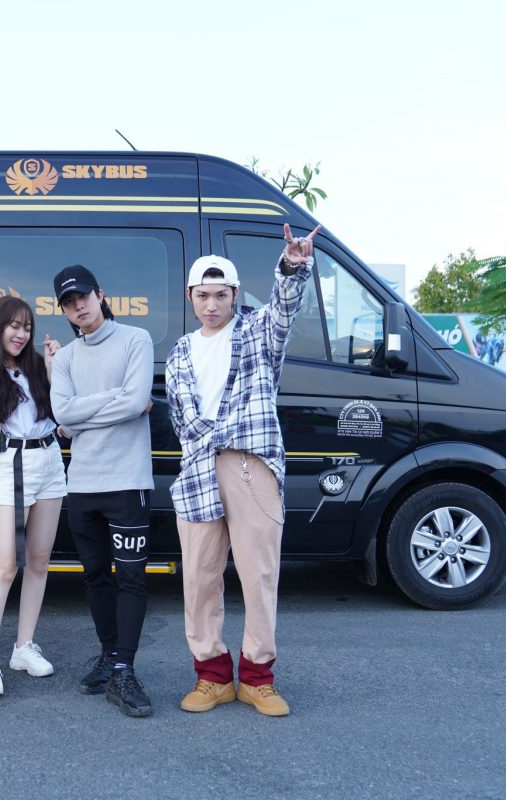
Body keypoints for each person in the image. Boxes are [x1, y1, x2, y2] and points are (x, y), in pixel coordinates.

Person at [165, 224, 318, 717]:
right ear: (191, 297)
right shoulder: (180, 351)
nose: (212, 304)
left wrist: (292, 266)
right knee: (199, 578)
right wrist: (210, 439)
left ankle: (257, 678)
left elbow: (284, 309)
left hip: (251, 465)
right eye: (203, 295)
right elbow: (182, 418)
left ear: (235, 295)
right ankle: (212, 676)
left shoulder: (256, 333)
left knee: (259, 575)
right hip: (197, 469)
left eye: (221, 294)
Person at [49, 265, 155, 718]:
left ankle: (125, 670)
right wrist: (114, 400)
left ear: (101, 295)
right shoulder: (66, 358)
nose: (79, 307)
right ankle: (110, 656)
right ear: (64, 311)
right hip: (83, 483)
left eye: (84, 298)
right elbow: (62, 414)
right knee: (95, 576)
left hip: (127, 481)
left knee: (131, 577)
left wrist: (81, 416)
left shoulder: (136, 340)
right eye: (70, 303)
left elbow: (135, 401)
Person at [0, 296, 66, 696]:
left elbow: (59, 416)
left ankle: (24, 647)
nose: (21, 334)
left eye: (27, 327)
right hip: (14, 465)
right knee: (5, 566)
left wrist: (54, 370)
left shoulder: (38, 366)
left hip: (51, 462)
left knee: (39, 561)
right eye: (14, 326)